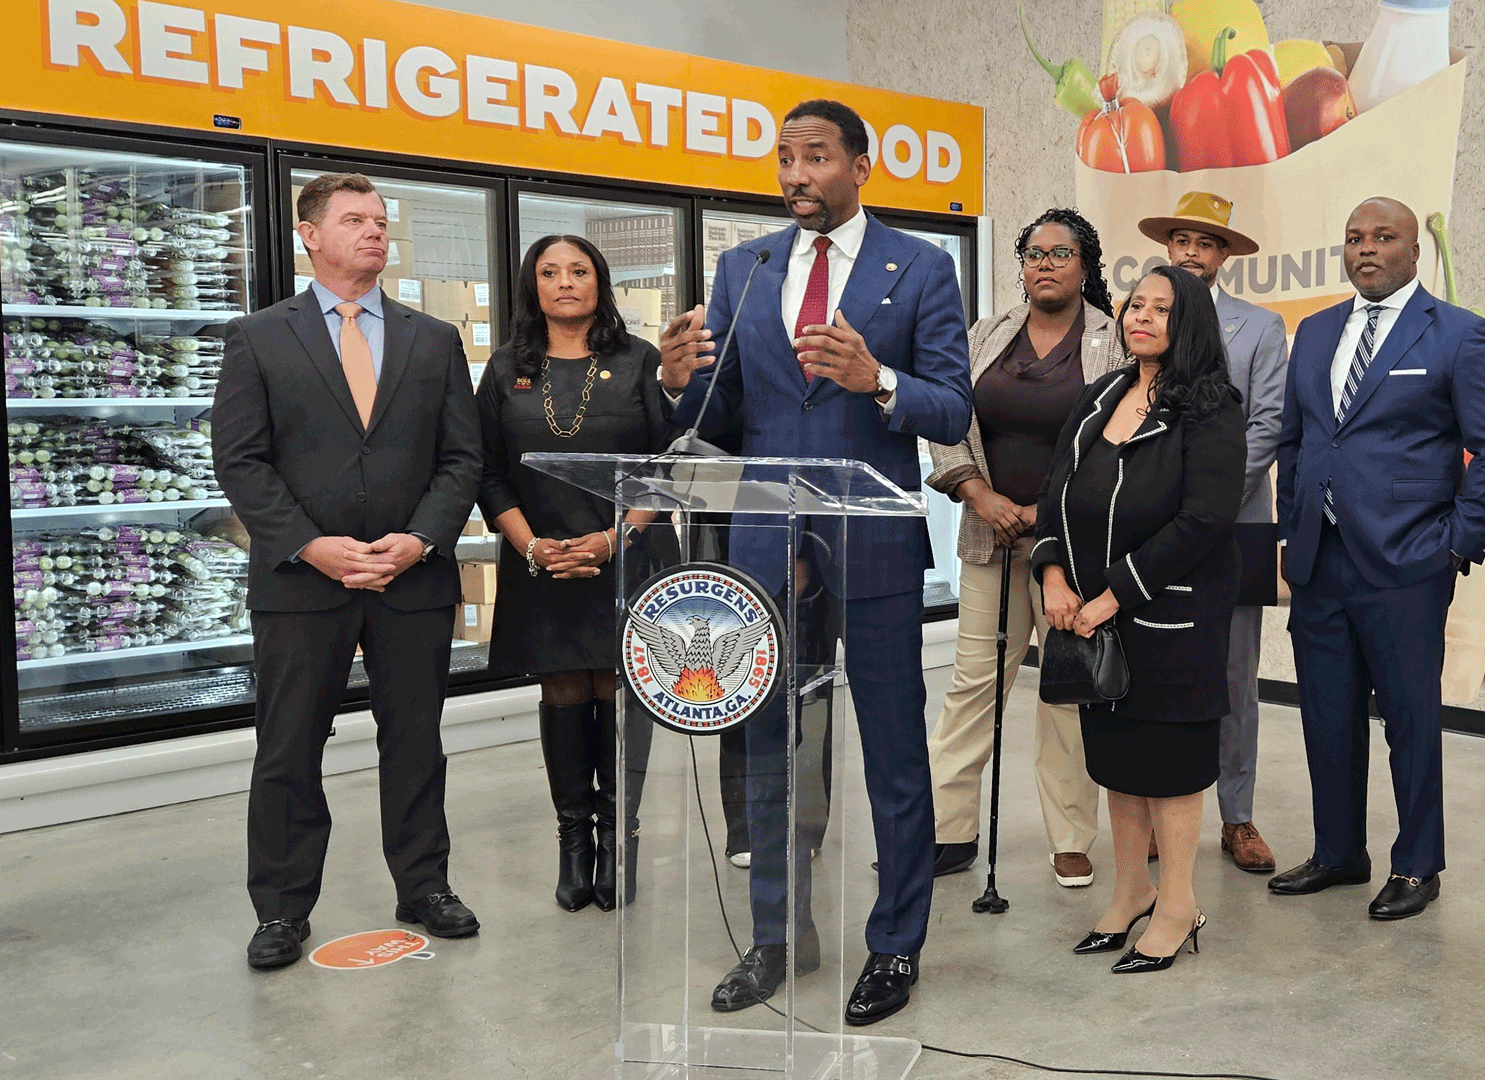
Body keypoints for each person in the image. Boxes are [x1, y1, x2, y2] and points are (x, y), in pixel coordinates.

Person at [657, 99, 970, 1026]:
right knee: (768, 750)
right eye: (785, 159)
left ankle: (896, 943)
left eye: (816, 157)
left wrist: (877, 380)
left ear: (862, 167)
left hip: (869, 541)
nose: (796, 175)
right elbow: (716, 420)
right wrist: (677, 383)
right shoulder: (742, 268)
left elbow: (950, 410)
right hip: (765, 545)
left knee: (892, 750)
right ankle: (776, 937)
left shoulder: (921, 267)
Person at [212, 172, 482, 970]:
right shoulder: (259, 336)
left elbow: (462, 458)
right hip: (302, 583)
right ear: (310, 234)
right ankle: (282, 910)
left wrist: (422, 539)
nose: (375, 232)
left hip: (412, 580)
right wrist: (311, 545)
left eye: (380, 220)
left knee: (416, 741)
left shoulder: (432, 340)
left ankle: (425, 885)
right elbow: (241, 460)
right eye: (355, 220)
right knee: (289, 747)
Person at [1270, 197, 1485, 920]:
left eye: (1384, 237)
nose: (1366, 250)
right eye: (1354, 238)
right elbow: (1297, 441)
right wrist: (1295, 530)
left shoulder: (1457, 335)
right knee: (1326, 712)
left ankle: (1417, 865)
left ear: (1416, 252)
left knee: (1410, 717)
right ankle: (1338, 853)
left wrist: (1455, 543)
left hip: (1408, 562)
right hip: (1320, 560)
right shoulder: (1315, 333)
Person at [1033, 265, 1246, 974]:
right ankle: (1131, 893)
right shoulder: (1101, 395)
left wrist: (1113, 594)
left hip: (1171, 619)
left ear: (1189, 323)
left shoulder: (1212, 406)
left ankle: (1179, 905)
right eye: (1135, 306)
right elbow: (1054, 491)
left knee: (1171, 768)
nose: (1142, 317)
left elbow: (1204, 520)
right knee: (1119, 762)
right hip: (1092, 620)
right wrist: (1055, 575)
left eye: (1161, 308)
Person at [923, 208, 1125, 889]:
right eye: (1034, 252)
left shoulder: (1115, 341)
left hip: (1070, 548)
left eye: (1060, 253)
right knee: (972, 686)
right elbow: (948, 420)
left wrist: (1048, 510)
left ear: (1085, 265)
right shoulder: (987, 335)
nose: (1044, 263)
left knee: (1066, 691)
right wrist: (978, 494)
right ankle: (948, 831)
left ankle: (1071, 838)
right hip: (989, 536)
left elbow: (1121, 442)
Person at [475, 234, 675, 914]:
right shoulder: (505, 369)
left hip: (629, 553)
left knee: (619, 688)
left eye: (579, 270)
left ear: (601, 282)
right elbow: (488, 473)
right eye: (550, 271)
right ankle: (573, 843)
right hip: (542, 559)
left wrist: (613, 539)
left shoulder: (639, 360)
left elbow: (665, 466)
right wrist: (533, 547)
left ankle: (620, 838)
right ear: (532, 285)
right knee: (562, 687)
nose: (565, 282)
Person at [1137, 192, 1288, 873]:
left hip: (1234, 529)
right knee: (1155, 670)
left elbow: (1267, 428)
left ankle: (1238, 817)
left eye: (1207, 242)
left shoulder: (1260, 329)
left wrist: (1208, 500)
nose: (1193, 251)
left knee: (1233, 678)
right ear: (1169, 248)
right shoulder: (1145, 322)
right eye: (1183, 239)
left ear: (1225, 256)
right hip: (1151, 527)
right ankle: (1151, 814)